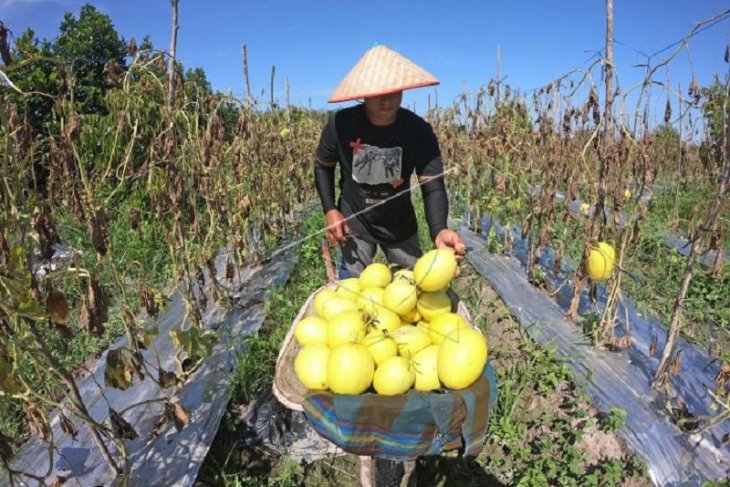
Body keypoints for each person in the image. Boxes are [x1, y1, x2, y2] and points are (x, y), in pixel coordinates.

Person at [314, 44, 466, 278]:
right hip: (354, 222)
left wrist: (439, 229)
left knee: (416, 286)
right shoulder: (341, 125)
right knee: (352, 293)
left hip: (399, 224)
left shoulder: (418, 131)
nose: (386, 98)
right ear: (363, 92)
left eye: (393, 89)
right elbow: (323, 166)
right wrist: (330, 209)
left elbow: (432, 185)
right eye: (377, 92)